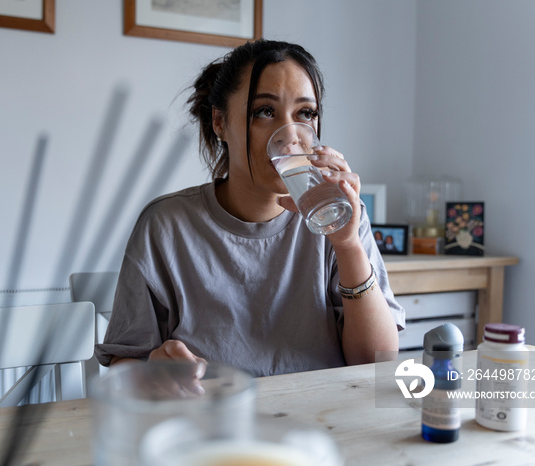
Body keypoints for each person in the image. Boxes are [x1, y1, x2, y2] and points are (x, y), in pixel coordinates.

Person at [96, 39, 405, 378]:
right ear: (220, 122)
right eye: (264, 112)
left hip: (319, 419)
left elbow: (377, 364)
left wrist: (347, 246)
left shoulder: (339, 215)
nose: (290, 138)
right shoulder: (166, 225)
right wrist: (154, 372)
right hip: (213, 422)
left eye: (305, 113)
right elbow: (124, 368)